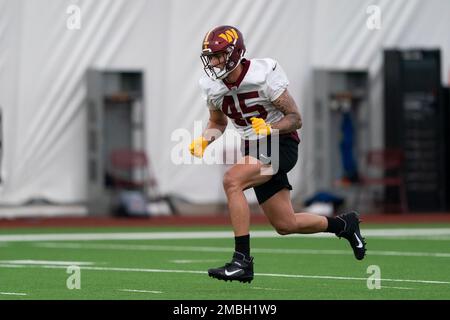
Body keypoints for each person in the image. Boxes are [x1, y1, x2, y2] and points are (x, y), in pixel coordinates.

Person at [189, 25, 366, 283]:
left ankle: (242, 261)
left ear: (235, 52)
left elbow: (295, 118)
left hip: (280, 144)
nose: (214, 63)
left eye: (219, 55)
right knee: (286, 224)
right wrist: (205, 141)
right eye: (211, 57)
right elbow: (218, 122)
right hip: (254, 148)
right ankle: (345, 225)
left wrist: (270, 127)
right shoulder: (212, 86)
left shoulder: (263, 74)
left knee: (232, 180)